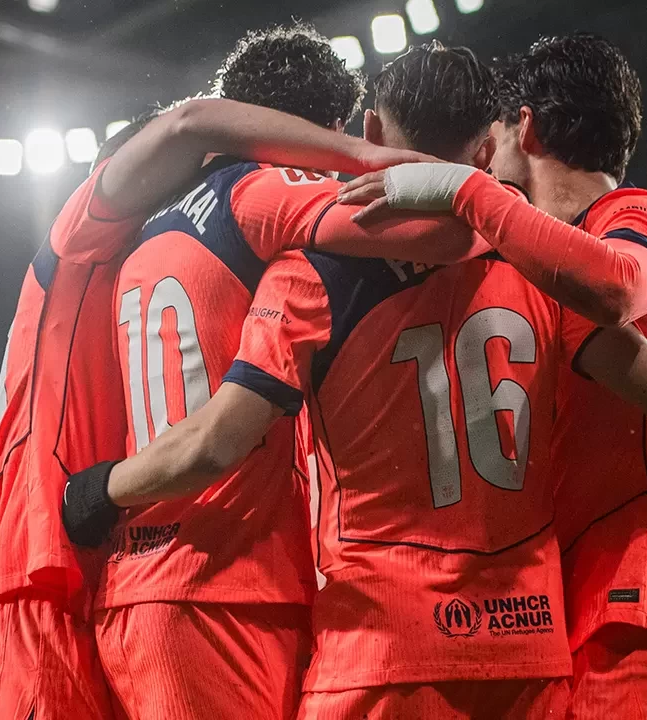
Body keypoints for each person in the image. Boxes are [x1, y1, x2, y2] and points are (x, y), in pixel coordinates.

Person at [65, 42, 647, 720]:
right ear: (488, 149)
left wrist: (99, 490)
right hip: (525, 648)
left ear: (371, 131)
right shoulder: (543, 268)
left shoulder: (308, 274)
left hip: (377, 650)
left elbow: (219, 440)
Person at [56, 29, 514, 720]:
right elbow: (449, 231)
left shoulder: (142, 226)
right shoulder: (263, 188)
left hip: (142, 580)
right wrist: (507, 202)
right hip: (223, 580)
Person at [336, 33, 647, 720]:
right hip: (587, 602)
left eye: (495, 135)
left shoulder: (634, 214)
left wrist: (466, 190)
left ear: (526, 128)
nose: (486, 154)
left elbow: (619, 288)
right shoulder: (533, 257)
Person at [0, 92, 437, 719]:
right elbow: (190, 123)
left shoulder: (134, 267)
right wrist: (362, 157)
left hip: (102, 578)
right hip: (37, 589)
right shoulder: (79, 233)